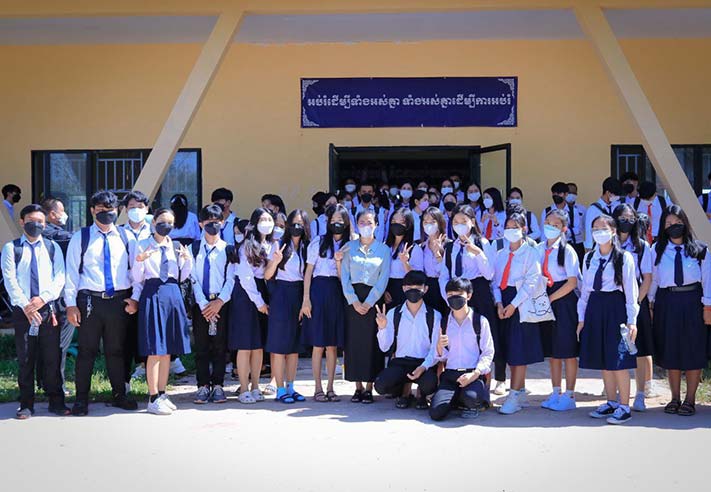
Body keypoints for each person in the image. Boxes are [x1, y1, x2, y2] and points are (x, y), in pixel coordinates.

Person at [64, 190, 138, 415]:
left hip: (118, 301)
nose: (106, 213)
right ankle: (81, 400)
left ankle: (119, 395)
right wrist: (71, 305)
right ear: (92, 211)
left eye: (110, 210)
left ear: (118, 211)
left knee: (116, 351)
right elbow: (71, 273)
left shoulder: (126, 237)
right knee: (86, 351)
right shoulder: (81, 237)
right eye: (101, 210)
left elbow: (136, 271)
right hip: (90, 301)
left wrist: (135, 298)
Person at [2, 204, 69, 419]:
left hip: (48, 310)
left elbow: (60, 277)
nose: (36, 225)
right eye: (31, 221)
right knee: (26, 358)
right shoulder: (11, 248)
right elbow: (10, 280)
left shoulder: (52, 247)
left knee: (52, 357)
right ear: (22, 222)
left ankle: (56, 401)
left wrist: (42, 299)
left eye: (40, 222)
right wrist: (27, 306)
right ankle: (26, 404)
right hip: (23, 312)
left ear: (45, 224)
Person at [649, 205, 711, 417]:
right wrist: (650, 304)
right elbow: (654, 279)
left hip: (693, 301)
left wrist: (707, 307)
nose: (673, 226)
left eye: (677, 222)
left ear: (685, 223)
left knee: (694, 349)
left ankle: (690, 399)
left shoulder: (700, 250)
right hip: (667, 301)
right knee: (671, 349)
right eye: (668, 223)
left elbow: (708, 280)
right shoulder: (656, 250)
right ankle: (674, 398)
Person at [577, 214, 639, 425]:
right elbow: (585, 290)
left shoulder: (624, 258)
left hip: (615, 308)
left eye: (603, 228)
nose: (598, 232)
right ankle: (611, 402)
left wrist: (632, 320)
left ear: (613, 231)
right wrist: (581, 318)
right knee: (604, 359)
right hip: (595, 307)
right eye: (595, 228)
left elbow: (631, 291)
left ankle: (624, 406)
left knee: (618, 359)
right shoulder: (589, 258)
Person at [438, 204, 506, 394]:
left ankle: (499, 378)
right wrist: (448, 296)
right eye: (456, 222)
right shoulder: (450, 246)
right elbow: (444, 274)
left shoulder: (483, 243)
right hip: (456, 293)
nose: (459, 225)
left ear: (473, 222)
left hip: (479, 291)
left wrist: (478, 253)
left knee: (489, 334)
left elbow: (490, 273)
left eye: (464, 221)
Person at [131, 208, 192, 415]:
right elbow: (137, 278)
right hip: (153, 292)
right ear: (154, 222)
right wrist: (140, 261)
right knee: (155, 349)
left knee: (168, 350)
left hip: (172, 293)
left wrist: (187, 260)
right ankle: (153, 396)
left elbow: (183, 276)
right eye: (162, 221)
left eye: (170, 223)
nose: (166, 225)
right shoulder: (143, 244)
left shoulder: (176, 246)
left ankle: (163, 393)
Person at [494, 211, 545, 415]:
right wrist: (499, 303)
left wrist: (514, 304)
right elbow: (495, 281)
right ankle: (520, 391)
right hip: (503, 301)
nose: (511, 231)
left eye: (515, 227)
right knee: (507, 350)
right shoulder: (500, 253)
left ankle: (514, 395)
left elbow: (532, 281)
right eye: (507, 227)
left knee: (519, 351)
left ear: (524, 229)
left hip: (521, 303)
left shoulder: (531, 253)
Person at [341, 209, 391, 404]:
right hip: (352, 299)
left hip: (373, 300)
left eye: (370, 222)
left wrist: (369, 302)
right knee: (354, 342)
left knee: (372, 343)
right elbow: (344, 276)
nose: (366, 226)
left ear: (376, 225)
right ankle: (358, 386)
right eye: (362, 222)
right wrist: (353, 300)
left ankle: (370, 387)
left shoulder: (384, 249)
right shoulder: (349, 247)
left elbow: (383, 279)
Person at [301, 203, 350, 402]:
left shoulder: (350, 245)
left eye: (340, 220)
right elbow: (308, 272)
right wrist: (306, 299)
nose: (336, 223)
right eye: (333, 219)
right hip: (318, 291)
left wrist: (339, 262)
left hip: (338, 292)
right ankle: (317, 388)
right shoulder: (318, 242)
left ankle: (330, 387)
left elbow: (346, 277)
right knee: (318, 344)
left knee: (332, 345)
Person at [227, 208, 276, 404]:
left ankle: (256, 386)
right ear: (254, 223)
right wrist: (259, 302)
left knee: (258, 345)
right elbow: (245, 277)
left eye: (269, 219)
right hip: (246, 295)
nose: (267, 223)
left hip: (262, 291)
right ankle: (244, 388)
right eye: (263, 219)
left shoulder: (271, 244)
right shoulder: (246, 246)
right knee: (245, 345)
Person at [429, 277, 495, 421]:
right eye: (450, 295)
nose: (454, 298)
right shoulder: (443, 323)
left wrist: (475, 373)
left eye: (458, 294)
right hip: (451, 374)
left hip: (472, 373)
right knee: (436, 412)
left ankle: (472, 397)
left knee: (471, 398)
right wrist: (439, 346)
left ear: (468, 296)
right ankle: (456, 398)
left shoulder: (480, 321)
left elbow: (488, 352)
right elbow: (440, 356)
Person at [374, 270, 440, 410]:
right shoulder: (394, 313)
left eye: (418, 287)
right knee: (381, 385)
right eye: (409, 287)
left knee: (430, 384)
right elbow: (385, 347)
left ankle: (421, 394)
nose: (413, 290)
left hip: (423, 363)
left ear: (426, 289)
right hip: (400, 363)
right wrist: (382, 328)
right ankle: (405, 392)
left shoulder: (434, 315)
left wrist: (423, 367)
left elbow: (435, 349)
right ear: (403, 288)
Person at [612, 204, 655, 412]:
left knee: (640, 348)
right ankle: (614, 392)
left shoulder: (641, 246)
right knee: (615, 347)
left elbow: (647, 278)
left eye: (630, 218)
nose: (626, 221)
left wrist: (636, 302)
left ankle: (640, 393)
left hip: (637, 299)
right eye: (622, 217)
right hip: (614, 300)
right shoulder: (608, 243)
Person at [191, 204, 235, 404]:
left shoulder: (228, 249)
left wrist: (219, 302)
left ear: (222, 223)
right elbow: (192, 278)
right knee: (201, 346)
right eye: (208, 222)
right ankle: (202, 385)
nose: (213, 225)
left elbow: (231, 279)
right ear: (201, 224)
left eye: (217, 222)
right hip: (200, 303)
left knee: (219, 346)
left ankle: (218, 385)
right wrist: (203, 304)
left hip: (221, 303)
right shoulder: (193, 249)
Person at [265, 209, 310, 404]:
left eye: (301, 223)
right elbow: (267, 275)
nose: (296, 227)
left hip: (299, 294)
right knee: (279, 345)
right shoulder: (279, 245)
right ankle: (280, 388)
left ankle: (291, 386)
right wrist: (275, 262)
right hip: (281, 293)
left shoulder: (308, 247)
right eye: (293, 223)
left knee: (293, 346)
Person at [537, 209, 580, 411]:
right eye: (547, 223)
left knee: (568, 350)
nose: (550, 227)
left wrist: (551, 298)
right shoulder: (538, 248)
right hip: (545, 298)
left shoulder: (568, 251)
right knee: (553, 350)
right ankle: (555, 391)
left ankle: (569, 394)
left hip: (563, 300)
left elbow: (572, 282)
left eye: (555, 225)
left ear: (563, 229)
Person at [40, 197, 74, 394]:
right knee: (60, 343)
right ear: (52, 214)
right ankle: (56, 385)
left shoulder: (39, 235)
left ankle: (44, 382)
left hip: (44, 297)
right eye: (62, 210)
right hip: (59, 298)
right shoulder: (54, 234)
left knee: (45, 344)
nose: (65, 214)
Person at [120, 191, 152, 386]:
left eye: (140, 207)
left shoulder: (154, 231)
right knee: (125, 337)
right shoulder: (118, 233)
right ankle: (124, 382)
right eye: (132, 207)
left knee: (148, 336)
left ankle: (152, 383)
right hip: (126, 291)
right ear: (125, 210)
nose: (136, 211)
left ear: (147, 209)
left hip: (149, 290)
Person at [384, 208, 423, 308]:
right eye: (393, 222)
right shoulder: (385, 246)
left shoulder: (414, 249)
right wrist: (383, 290)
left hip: (406, 289)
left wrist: (405, 262)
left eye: (401, 222)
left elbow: (417, 277)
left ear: (408, 225)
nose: (396, 225)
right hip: (386, 289)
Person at [541, 182, 584, 265]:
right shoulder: (547, 211)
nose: (556, 195)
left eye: (559, 193)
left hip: (571, 244)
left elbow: (578, 229)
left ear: (566, 194)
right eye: (554, 193)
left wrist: (563, 231)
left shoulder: (573, 210)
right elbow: (543, 232)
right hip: (551, 246)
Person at [420, 207, 448, 314]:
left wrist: (438, 255)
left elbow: (447, 270)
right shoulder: (422, 246)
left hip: (444, 285)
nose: (428, 225)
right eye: (425, 222)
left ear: (439, 223)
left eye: (432, 222)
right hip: (428, 287)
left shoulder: (449, 244)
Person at [584, 177, 622, 250]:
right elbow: (589, 232)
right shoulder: (593, 209)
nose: (617, 197)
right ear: (608, 193)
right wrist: (589, 249)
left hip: (615, 247)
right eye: (615, 195)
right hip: (599, 248)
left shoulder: (617, 206)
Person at [566, 182, 587, 264]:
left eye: (574, 193)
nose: (571, 195)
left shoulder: (582, 209)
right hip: (565, 243)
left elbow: (585, 226)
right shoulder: (560, 209)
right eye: (569, 192)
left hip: (578, 243)